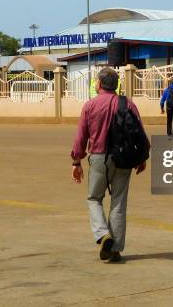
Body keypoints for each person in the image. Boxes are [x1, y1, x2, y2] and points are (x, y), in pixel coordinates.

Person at [71, 67, 148, 263]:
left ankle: (103, 234)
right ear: (116, 85)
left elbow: (81, 136)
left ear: (99, 84)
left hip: (98, 158)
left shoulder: (90, 106)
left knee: (94, 198)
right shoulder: (127, 104)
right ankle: (115, 249)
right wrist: (141, 158)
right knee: (119, 202)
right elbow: (139, 132)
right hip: (123, 159)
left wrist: (76, 161)